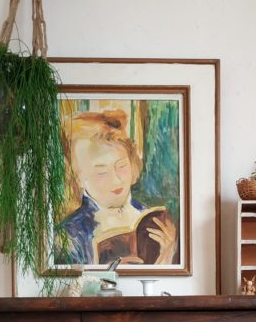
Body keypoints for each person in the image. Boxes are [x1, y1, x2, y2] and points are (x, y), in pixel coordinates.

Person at [55, 109, 177, 266]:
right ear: (78, 178)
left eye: (122, 166)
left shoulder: (148, 218)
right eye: (101, 173)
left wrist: (167, 256)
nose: (116, 179)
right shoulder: (68, 236)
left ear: (133, 164)